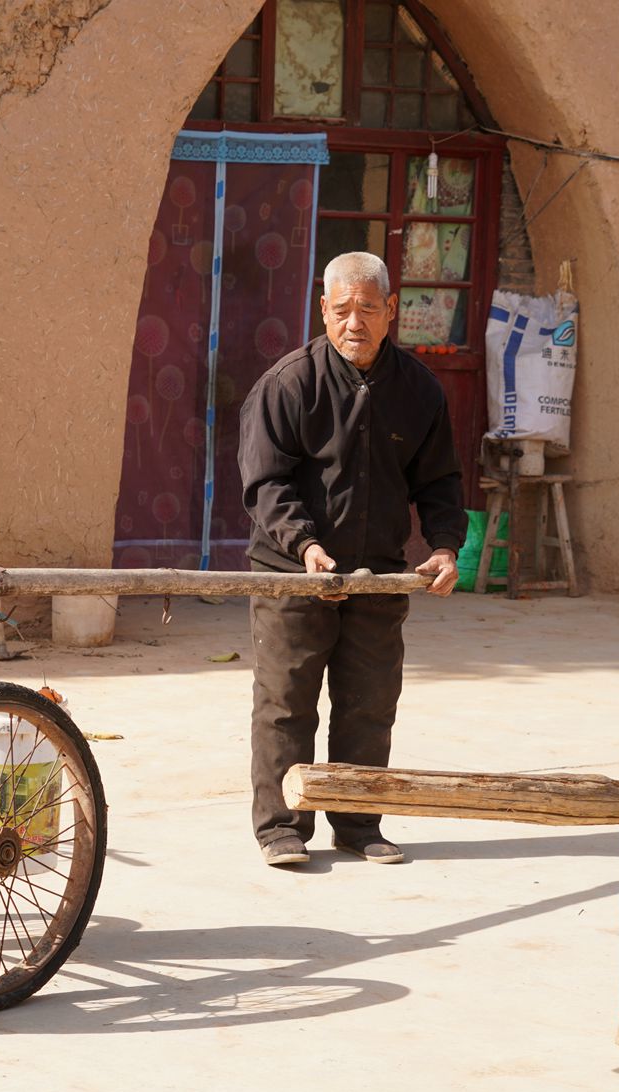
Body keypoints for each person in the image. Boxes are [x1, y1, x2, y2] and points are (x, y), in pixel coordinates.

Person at [237, 251, 465, 867]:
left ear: (391, 311)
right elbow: (266, 486)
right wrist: (307, 545)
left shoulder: (418, 390)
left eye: (367, 309)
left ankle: (360, 821)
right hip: (295, 572)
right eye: (341, 311)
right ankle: (282, 828)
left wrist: (445, 545)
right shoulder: (288, 384)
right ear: (323, 311)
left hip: (378, 573)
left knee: (369, 700)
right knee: (286, 699)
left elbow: (440, 481)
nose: (353, 323)